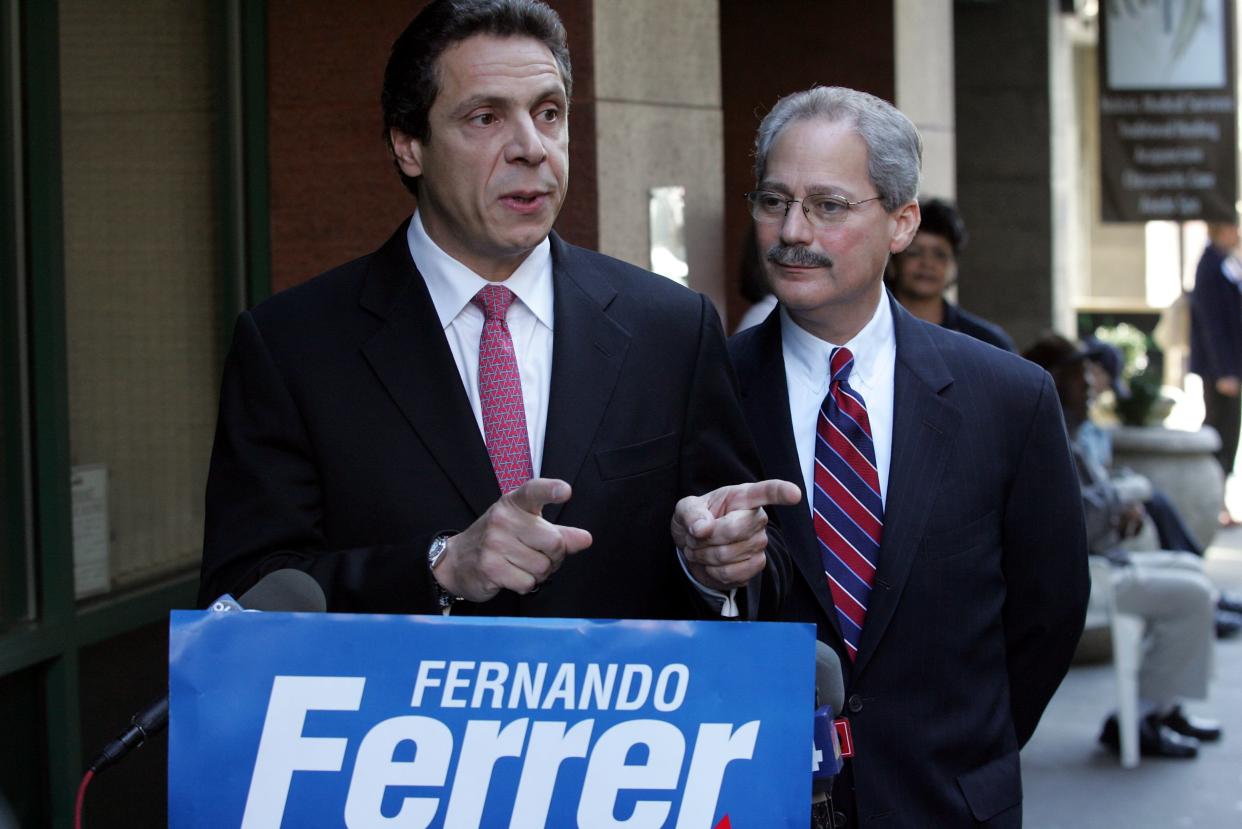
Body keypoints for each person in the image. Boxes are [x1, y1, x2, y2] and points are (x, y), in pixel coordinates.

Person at [198, 0, 800, 621]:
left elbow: (759, 564)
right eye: (486, 117)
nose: (532, 149)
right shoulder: (293, 346)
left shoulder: (671, 328)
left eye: (549, 114)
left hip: (620, 718)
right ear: (409, 145)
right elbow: (244, 593)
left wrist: (714, 565)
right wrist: (439, 566)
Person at [728, 86, 1089, 827]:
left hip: (950, 800)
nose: (792, 230)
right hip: (762, 798)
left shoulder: (1007, 397)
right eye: (773, 200)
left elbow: (1048, 608)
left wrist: (969, 747)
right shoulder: (703, 390)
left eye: (828, 205)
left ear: (901, 222)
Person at [1024, 333, 1222, 759]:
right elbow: (1072, 523)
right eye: (1080, 373)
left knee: (1192, 573)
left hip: (1101, 563)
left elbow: (1096, 509)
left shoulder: (1072, 428)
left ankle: (1163, 706)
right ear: (1055, 379)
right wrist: (1122, 501)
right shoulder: (1043, 433)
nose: (1092, 382)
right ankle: (1139, 718)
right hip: (1079, 579)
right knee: (1192, 595)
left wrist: (1118, 503)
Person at [887, 197, 1016, 352]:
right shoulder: (867, 332)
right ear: (893, 262)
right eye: (914, 253)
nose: (927, 263)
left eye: (939, 254)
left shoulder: (987, 342)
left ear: (954, 266)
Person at [1189, 221, 1242, 524]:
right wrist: (1225, 371)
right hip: (1220, 370)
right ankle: (1215, 503)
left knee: (1229, 434)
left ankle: (1221, 502)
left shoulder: (1225, 263)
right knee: (1220, 432)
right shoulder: (1210, 266)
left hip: (1229, 366)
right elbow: (1213, 324)